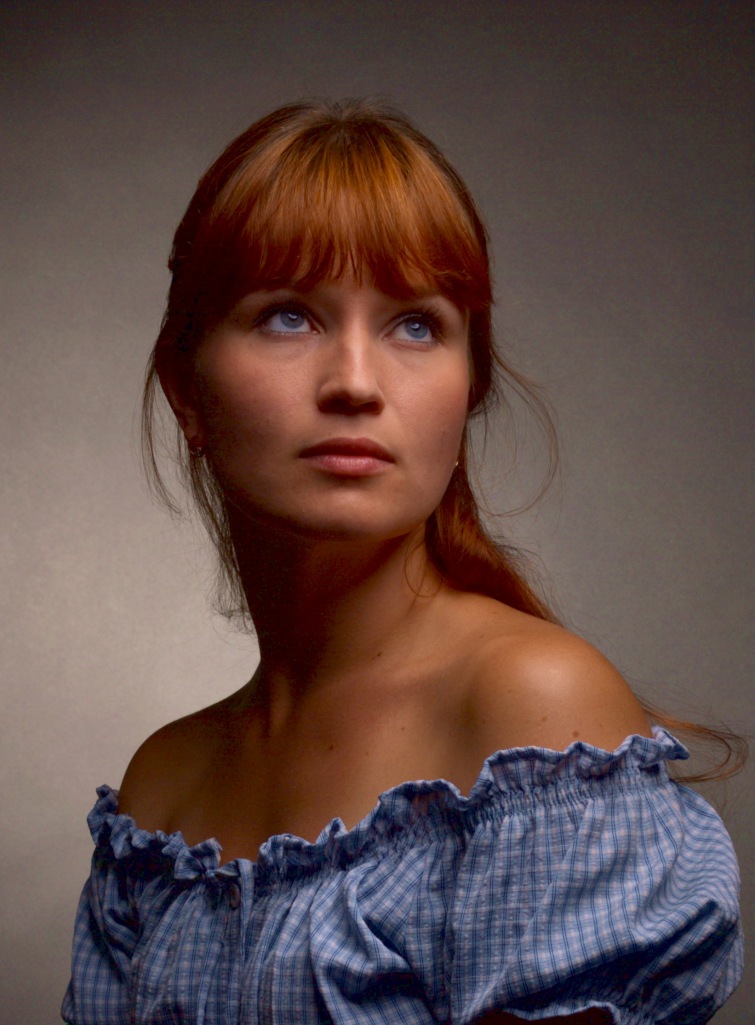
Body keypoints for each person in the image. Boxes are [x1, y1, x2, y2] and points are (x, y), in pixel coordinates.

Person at [62, 99, 742, 1025]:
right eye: (288, 316)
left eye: (416, 325)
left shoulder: (533, 715)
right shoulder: (161, 789)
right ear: (187, 387)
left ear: (468, 393)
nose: (354, 381)